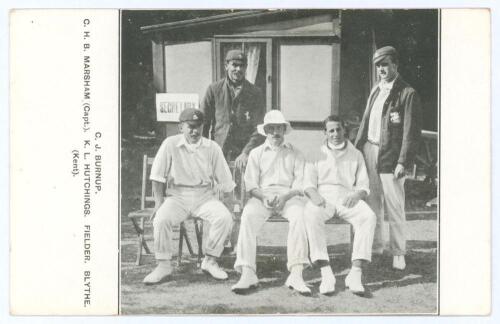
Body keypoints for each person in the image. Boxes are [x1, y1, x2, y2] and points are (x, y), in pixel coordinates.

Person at [143, 108, 235, 284]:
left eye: (198, 126)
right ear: (181, 127)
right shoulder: (170, 144)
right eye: (190, 126)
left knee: (224, 217)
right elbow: (157, 176)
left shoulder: (212, 147)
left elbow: (226, 181)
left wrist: (227, 205)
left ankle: (210, 260)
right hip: (177, 196)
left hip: (204, 196)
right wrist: (158, 203)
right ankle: (163, 265)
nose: (195, 131)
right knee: (161, 219)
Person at [354, 46, 422, 270]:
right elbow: (366, 122)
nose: (381, 69)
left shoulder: (407, 93)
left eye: (385, 64)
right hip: (369, 150)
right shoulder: (376, 90)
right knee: (371, 203)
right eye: (378, 66)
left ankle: (398, 251)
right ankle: (374, 247)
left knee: (394, 205)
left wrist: (403, 161)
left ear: (395, 65)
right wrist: (357, 150)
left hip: (391, 157)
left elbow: (410, 132)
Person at [231, 110, 310, 295]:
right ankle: (248, 272)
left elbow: (300, 183)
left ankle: (296, 273)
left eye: (279, 128)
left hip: (289, 196)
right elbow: (251, 184)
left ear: (284, 130)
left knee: (300, 216)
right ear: (265, 131)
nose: (275, 132)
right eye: (271, 129)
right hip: (262, 196)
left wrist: (285, 197)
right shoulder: (256, 153)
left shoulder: (296, 153)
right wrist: (263, 197)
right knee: (248, 215)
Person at [303, 115, 376, 295]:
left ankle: (355, 273)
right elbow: (308, 183)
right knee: (310, 214)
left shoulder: (356, 154)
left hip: (346, 197)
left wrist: (357, 194)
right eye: (331, 130)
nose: (335, 134)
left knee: (368, 216)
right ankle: (326, 272)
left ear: (345, 130)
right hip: (323, 197)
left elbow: (363, 185)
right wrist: (315, 196)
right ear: (325, 133)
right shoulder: (316, 153)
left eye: (339, 129)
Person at [200, 49, 266, 169]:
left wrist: (247, 152)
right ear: (226, 66)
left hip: (243, 156)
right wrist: (205, 150)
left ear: (246, 68)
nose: (238, 69)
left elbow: (259, 128)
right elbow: (203, 123)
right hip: (218, 153)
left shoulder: (255, 93)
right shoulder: (214, 89)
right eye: (234, 65)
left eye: (242, 66)